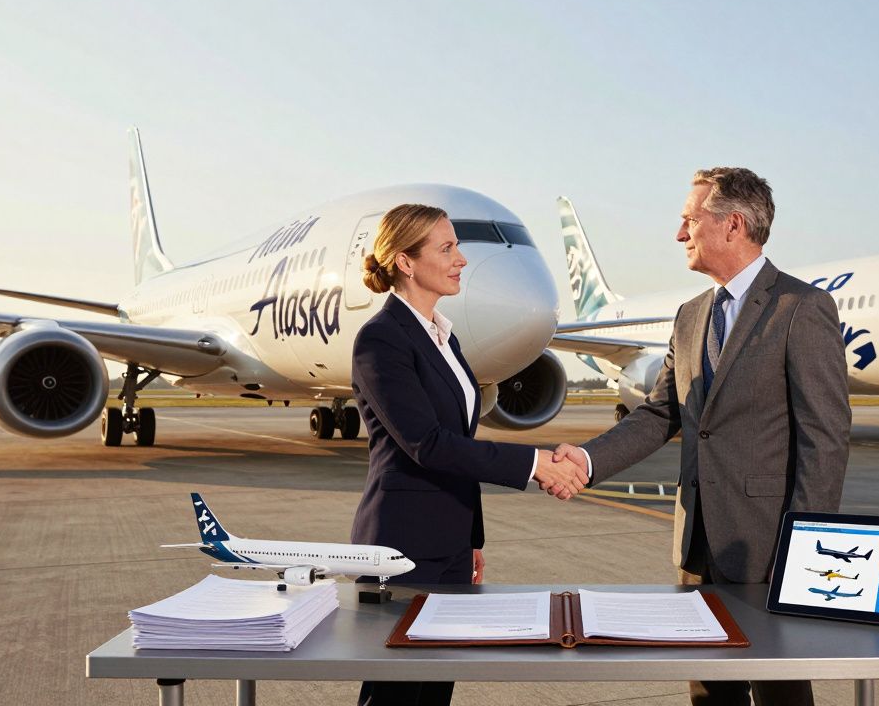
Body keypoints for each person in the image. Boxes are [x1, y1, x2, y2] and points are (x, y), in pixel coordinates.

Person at [551, 168, 850, 706]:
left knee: (780, 687)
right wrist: (587, 460)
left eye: (689, 220)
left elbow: (824, 439)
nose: (679, 234)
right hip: (698, 541)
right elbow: (660, 414)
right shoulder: (691, 316)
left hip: (767, 544)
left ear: (732, 224)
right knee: (710, 686)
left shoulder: (800, 309)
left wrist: (804, 549)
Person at [351, 203, 586, 706]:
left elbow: (458, 438)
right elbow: (428, 445)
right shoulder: (381, 340)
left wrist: (471, 536)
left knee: (435, 689)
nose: (461, 259)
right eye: (448, 247)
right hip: (401, 547)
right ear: (406, 262)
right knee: (395, 694)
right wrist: (535, 464)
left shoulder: (443, 336)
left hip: (450, 544)